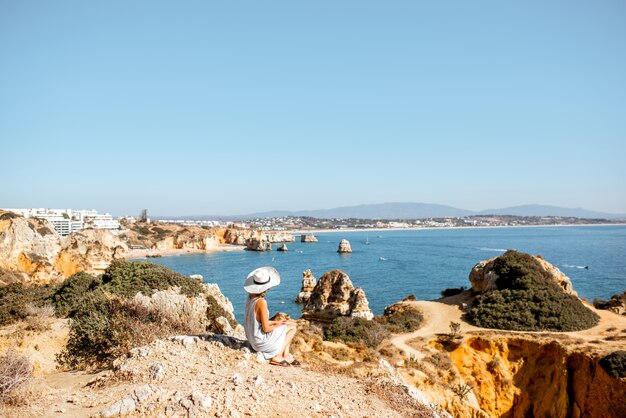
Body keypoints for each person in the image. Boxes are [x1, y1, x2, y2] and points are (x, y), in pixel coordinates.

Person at [243, 266, 300, 366]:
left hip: (253, 339)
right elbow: (266, 328)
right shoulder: (261, 302)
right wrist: (278, 326)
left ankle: (285, 355)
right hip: (260, 342)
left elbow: (257, 322)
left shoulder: (249, 298)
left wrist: (277, 322)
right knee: (292, 327)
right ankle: (277, 356)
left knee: (287, 324)